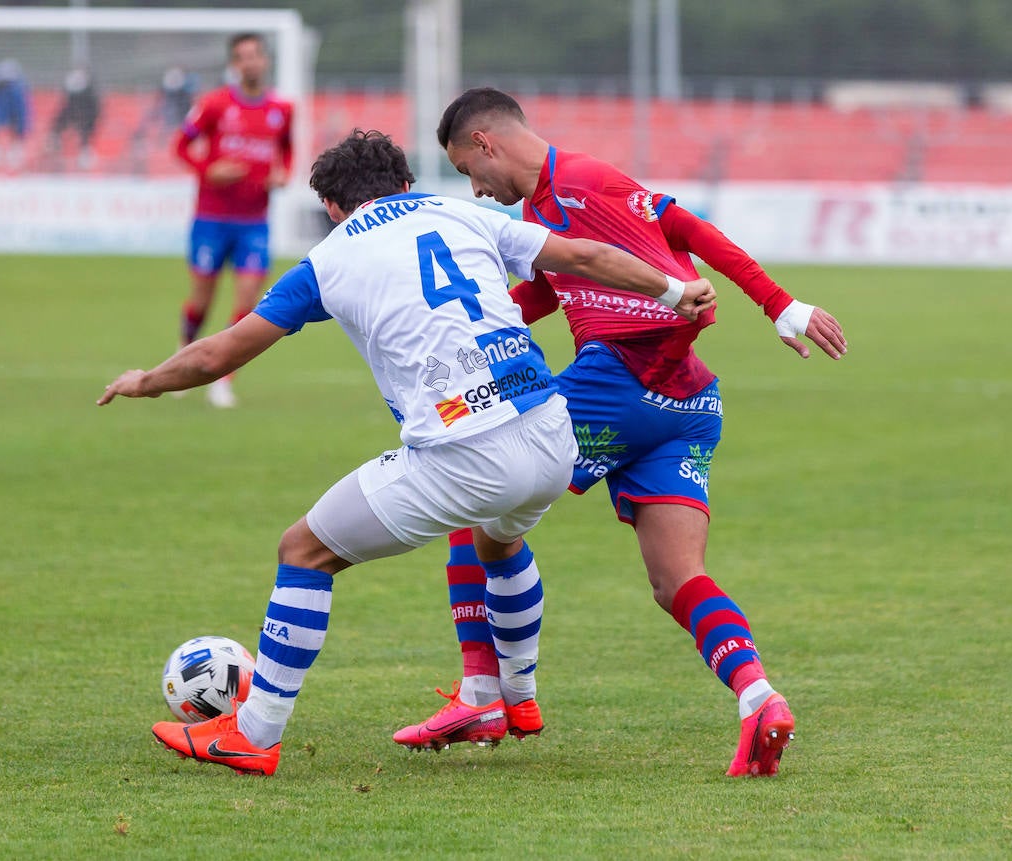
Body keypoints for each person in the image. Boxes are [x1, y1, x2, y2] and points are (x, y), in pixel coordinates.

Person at [98, 130, 716, 776]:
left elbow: (217, 353)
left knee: (302, 549)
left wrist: (146, 380)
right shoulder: (460, 211)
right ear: (403, 185)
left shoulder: (328, 258)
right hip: (551, 432)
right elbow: (584, 254)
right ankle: (520, 695)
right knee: (498, 541)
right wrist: (674, 291)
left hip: (465, 453)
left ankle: (254, 733)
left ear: (333, 207)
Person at [392, 88, 848, 777]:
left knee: (473, 488)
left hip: (619, 380)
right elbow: (553, 289)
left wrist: (778, 303)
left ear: (486, 143)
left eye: (467, 171)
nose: (478, 190)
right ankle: (760, 698)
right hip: (686, 403)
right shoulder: (552, 204)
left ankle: (484, 692)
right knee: (676, 580)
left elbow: (686, 231)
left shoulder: (579, 182)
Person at [172, 32, 294, 408]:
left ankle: (222, 379)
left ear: (265, 61)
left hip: (253, 223)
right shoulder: (214, 105)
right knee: (201, 303)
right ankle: (183, 359)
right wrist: (209, 170)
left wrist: (283, 174)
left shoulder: (282, 109)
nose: (250, 63)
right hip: (211, 219)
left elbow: (286, 151)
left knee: (248, 303)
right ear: (234, 65)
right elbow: (180, 145)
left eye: (255, 55)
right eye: (242, 57)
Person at [49, 69, 101, 170]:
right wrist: (55, 133)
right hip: (74, 120)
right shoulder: (71, 103)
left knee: (86, 134)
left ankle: (85, 154)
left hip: (87, 123)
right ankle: (56, 149)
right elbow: (63, 115)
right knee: (57, 132)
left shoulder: (92, 103)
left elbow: (94, 118)